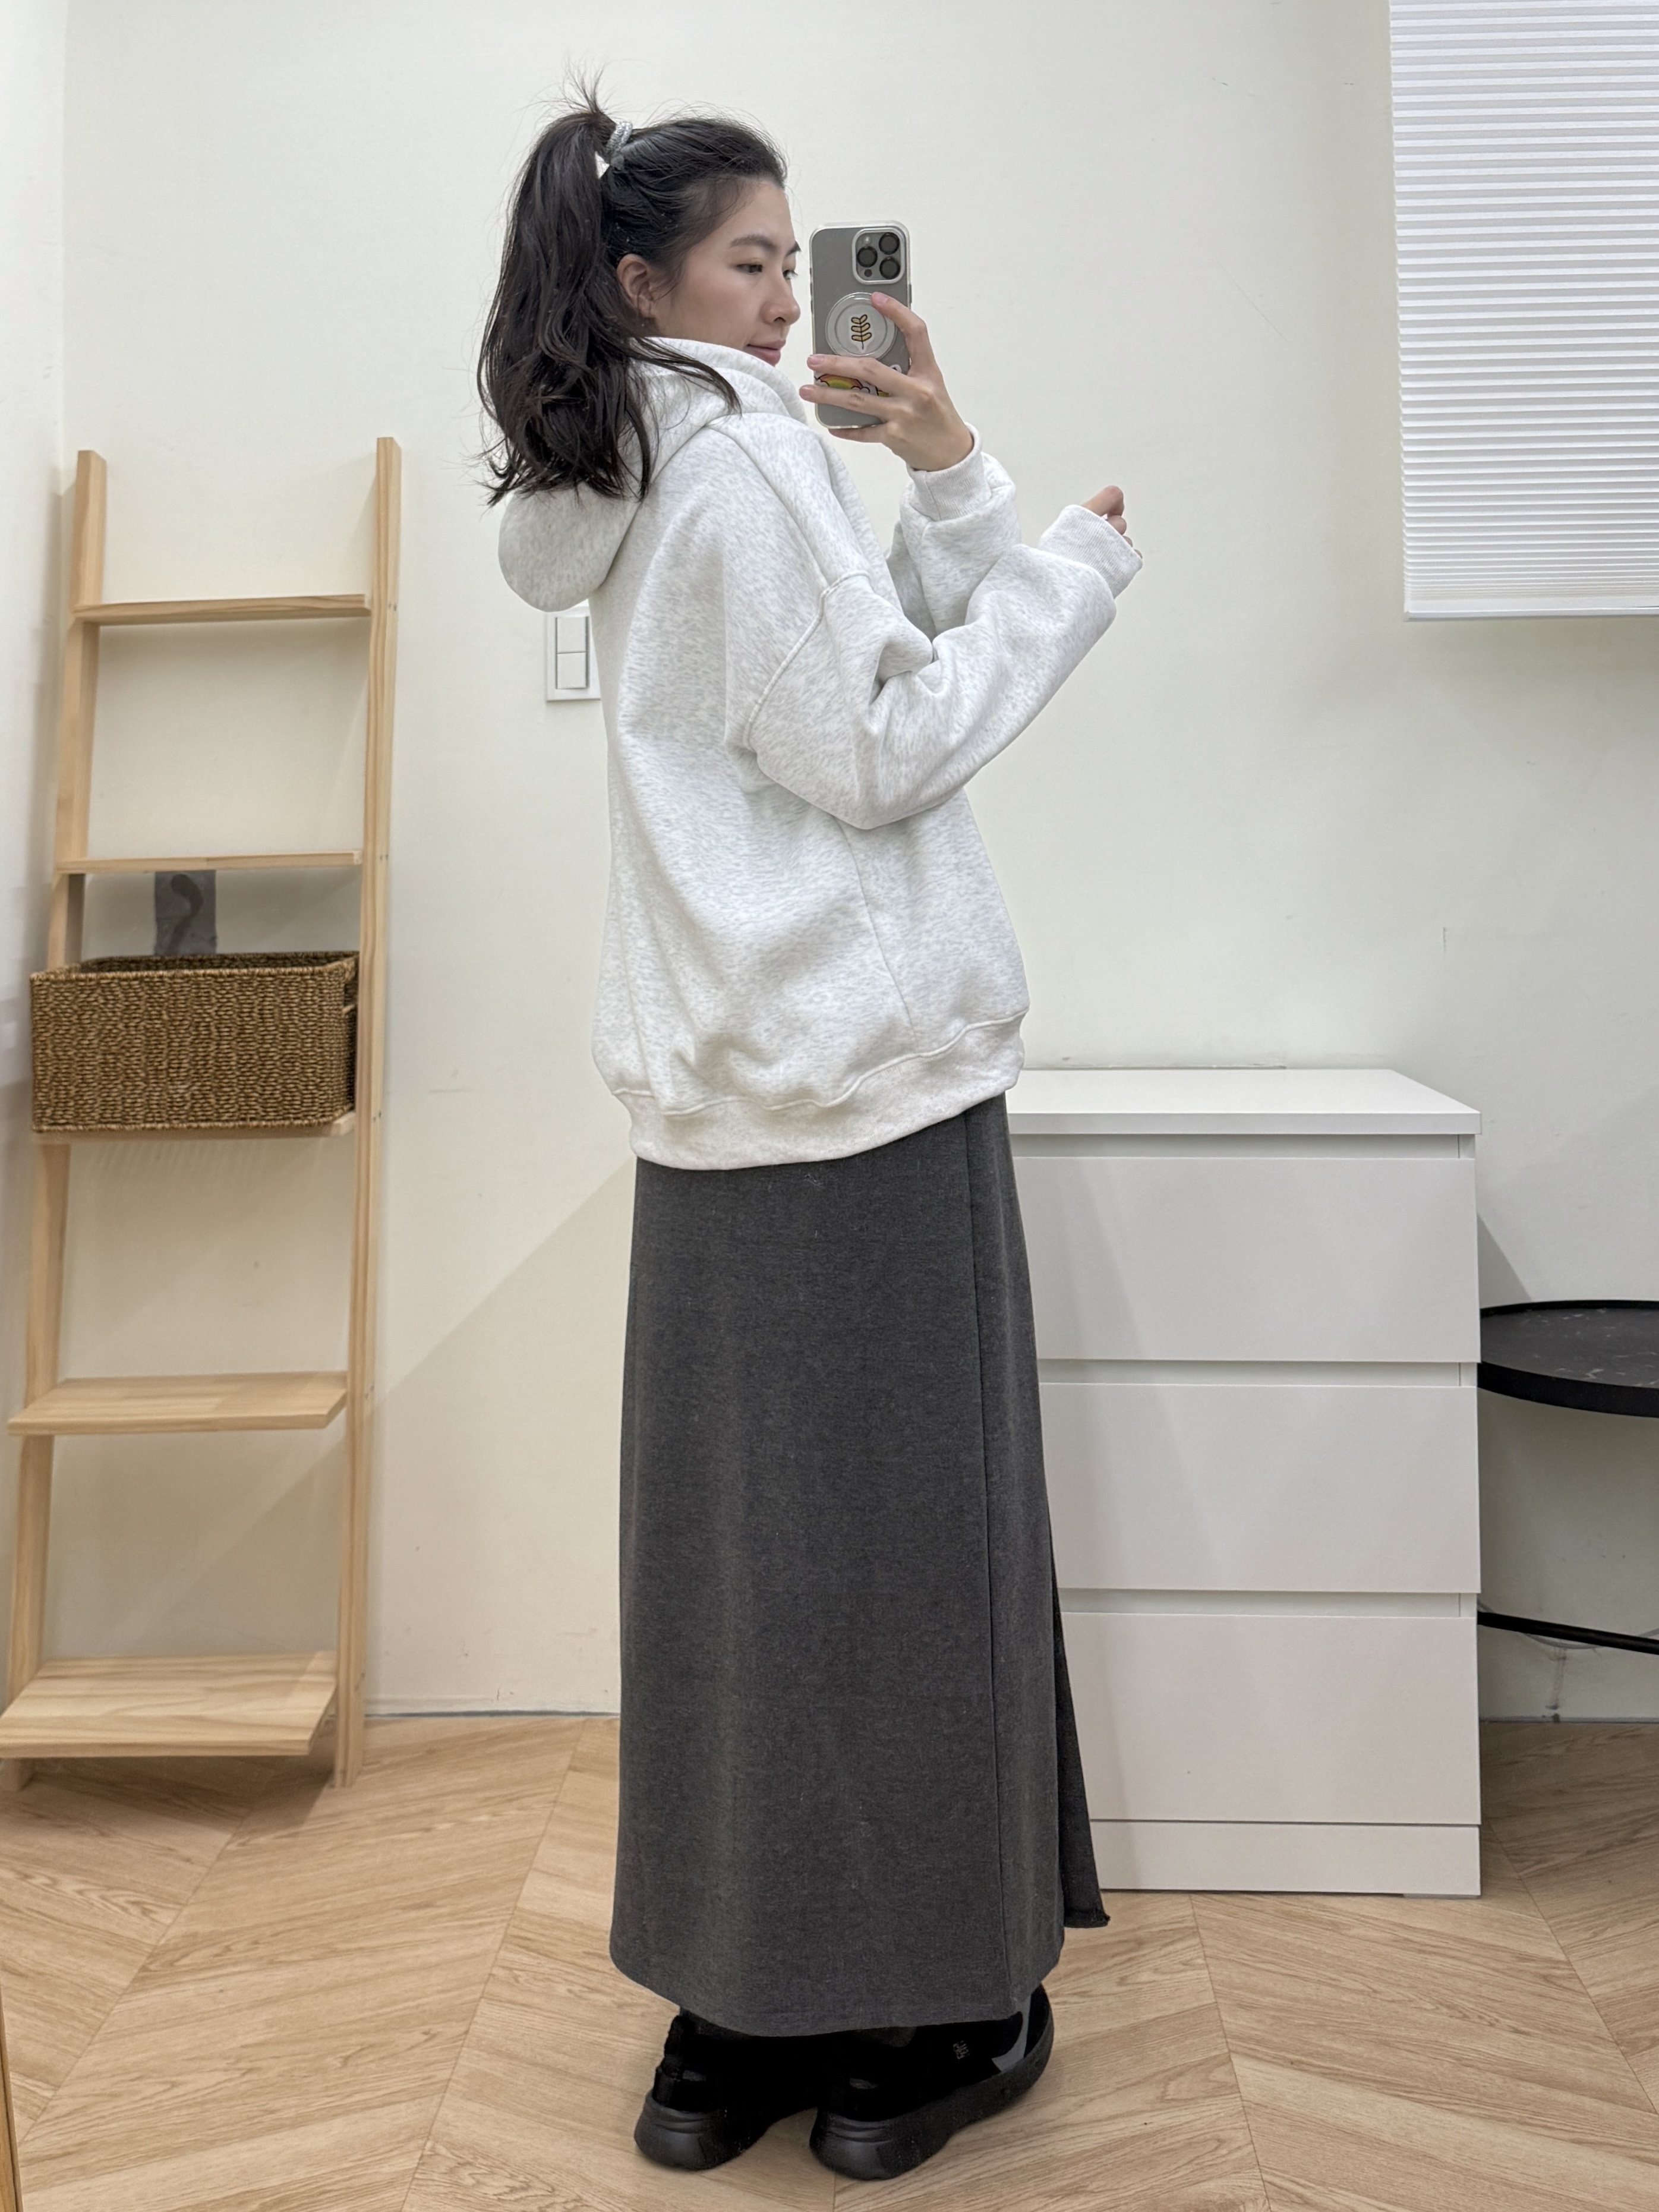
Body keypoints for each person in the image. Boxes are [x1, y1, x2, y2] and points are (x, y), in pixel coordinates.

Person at [479, 89, 1139, 2184]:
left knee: (736, 1584)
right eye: (751, 264)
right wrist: (1071, 573)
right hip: (869, 1093)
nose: (789, 300)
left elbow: (844, 683)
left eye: (793, 260)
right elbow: (887, 739)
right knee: (920, 1569)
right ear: (643, 279)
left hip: (719, 1112)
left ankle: (736, 2011)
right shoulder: (750, 455)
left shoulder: (621, 462)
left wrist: (942, 469)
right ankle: (941, 2002)